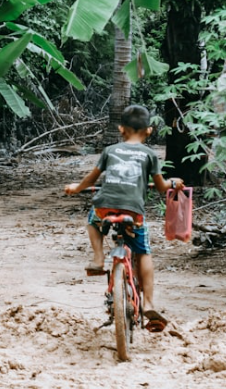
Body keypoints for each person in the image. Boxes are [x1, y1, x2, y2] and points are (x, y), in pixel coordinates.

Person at [64, 104, 183, 332]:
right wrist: (173, 183)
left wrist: (76, 188)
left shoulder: (110, 151)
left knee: (92, 221)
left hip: (104, 208)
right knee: (144, 251)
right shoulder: (149, 154)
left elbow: (91, 178)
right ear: (149, 131)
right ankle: (148, 303)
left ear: (121, 129)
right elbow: (160, 187)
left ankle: (98, 258)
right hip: (133, 213)